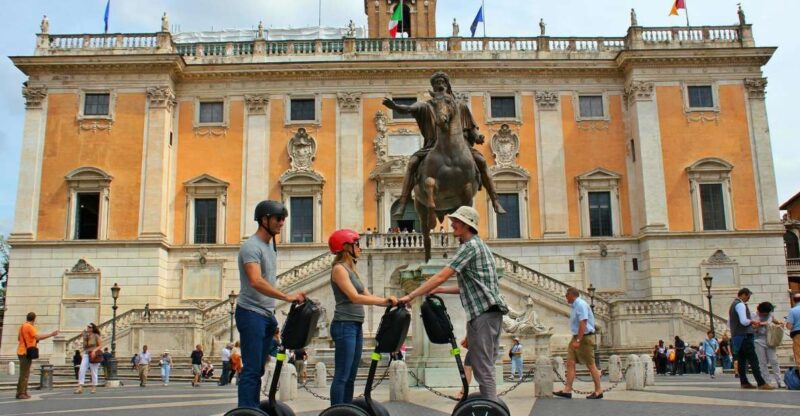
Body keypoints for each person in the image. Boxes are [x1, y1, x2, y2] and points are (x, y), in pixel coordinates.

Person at [399, 206, 508, 401]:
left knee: (483, 366)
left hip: (484, 315)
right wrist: (441, 290)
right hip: (484, 314)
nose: (452, 224)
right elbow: (473, 287)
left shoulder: (470, 247)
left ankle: (492, 408)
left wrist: (411, 296)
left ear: (467, 225)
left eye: (456, 221)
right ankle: (489, 405)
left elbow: (442, 275)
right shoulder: (478, 245)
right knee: (480, 362)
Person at [382, 72, 506, 217]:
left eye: (442, 82)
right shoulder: (428, 105)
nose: (439, 84)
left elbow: (472, 127)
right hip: (432, 145)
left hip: (461, 146)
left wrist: (478, 136)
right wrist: (395, 106)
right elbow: (410, 109)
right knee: (412, 163)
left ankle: (495, 200)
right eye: (435, 83)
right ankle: (403, 202)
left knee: (482, 161)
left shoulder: (460, 106)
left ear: (447, 86)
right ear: (433, 88)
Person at [236, 200, 306, 409]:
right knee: (251, 369)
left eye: (283, 218)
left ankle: (253, 408)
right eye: (278, 218)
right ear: (264, 219)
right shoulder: (251, 247)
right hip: (250, 313)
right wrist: (286, 297)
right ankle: (247, 411)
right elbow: (256, 281)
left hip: (266, 315)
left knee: (259, 367)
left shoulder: (270, 247)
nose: (282, 222)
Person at [328, 228, 398, 405]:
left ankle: (346, 409)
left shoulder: (352, 271)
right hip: (344, 325)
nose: (359, 248)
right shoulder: (339, 269)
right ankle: (337, 411)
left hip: (355, 325)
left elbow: (367, 295)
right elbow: (355, 297)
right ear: (345, 247)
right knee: (342, 374)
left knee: (351, 375)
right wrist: (383, 300)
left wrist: (389, 302)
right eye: (356, 244)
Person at [553, 287, 603, 399]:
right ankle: (567, 390)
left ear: (572, 295)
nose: (566, 297)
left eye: (567, 295)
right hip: (576, 336)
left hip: (584, 338)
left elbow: (583, 322)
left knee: (591, 365)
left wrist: (579, 340)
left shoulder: (580, 304)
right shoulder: (575, 306)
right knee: (570, 363)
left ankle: (598, 391)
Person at [728, 288, 773, 390]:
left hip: (737, 336)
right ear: (743, 294)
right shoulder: (740, 305)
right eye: (748, 296)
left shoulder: (733, 305)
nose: (748, 298)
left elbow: (730, 322)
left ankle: (744, 382)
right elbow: (744, 321)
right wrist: (753, 321)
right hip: (745, 335)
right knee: (753, 359)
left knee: (742, 360)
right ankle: (761, 383)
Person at [16, 312, 59, 399]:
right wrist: (51, 334)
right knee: (24, 374)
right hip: (25, 352)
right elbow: (37, 337)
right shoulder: (30, 327)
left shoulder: (22, 326)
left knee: (25, 373)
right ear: (34, 319)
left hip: (21, 351)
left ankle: (23, 392)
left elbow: (19, 338)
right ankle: (21, 393)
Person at [754, 302, 783, 387]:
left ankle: (779, 381)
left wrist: (780, 323)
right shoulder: (754, 315)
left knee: (774, 360)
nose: (766, 314)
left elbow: (775, 320)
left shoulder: (770, 314)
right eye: (765, 313)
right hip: (758, 339)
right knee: (762, 362)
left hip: (770, 339)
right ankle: (767, 381)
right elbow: (752, 326)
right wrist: (762, 323)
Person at [75, 323, 102, 394]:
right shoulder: (86, 336)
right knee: (81, 370)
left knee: (94, 371)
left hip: (94, 354)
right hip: (86, 354)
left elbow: (100, 345)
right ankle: (80, 387)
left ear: (93, 328)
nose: (88, 328)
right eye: (87, 327)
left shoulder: (96, 336)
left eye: (90, 327)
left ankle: (94, 387)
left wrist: (94, 351)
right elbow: (84, 346)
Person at [786, 292, 800, 369]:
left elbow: (789, 326)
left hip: (798, 335)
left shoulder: (793, 310)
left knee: (799, 357)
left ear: (793, 300)